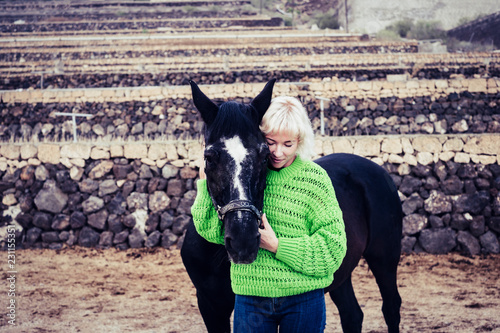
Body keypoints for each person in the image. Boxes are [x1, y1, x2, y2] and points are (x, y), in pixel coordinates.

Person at [192, 96, 347, 333]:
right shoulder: (250, 173)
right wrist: (206, 178)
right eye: (271, 142)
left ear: (300, 141)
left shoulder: (315, 180)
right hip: (251, 297)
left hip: (303, 299)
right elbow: (209, 230)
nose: (277, 152)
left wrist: (277, 246)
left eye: (288, 144)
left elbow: (332, 250)